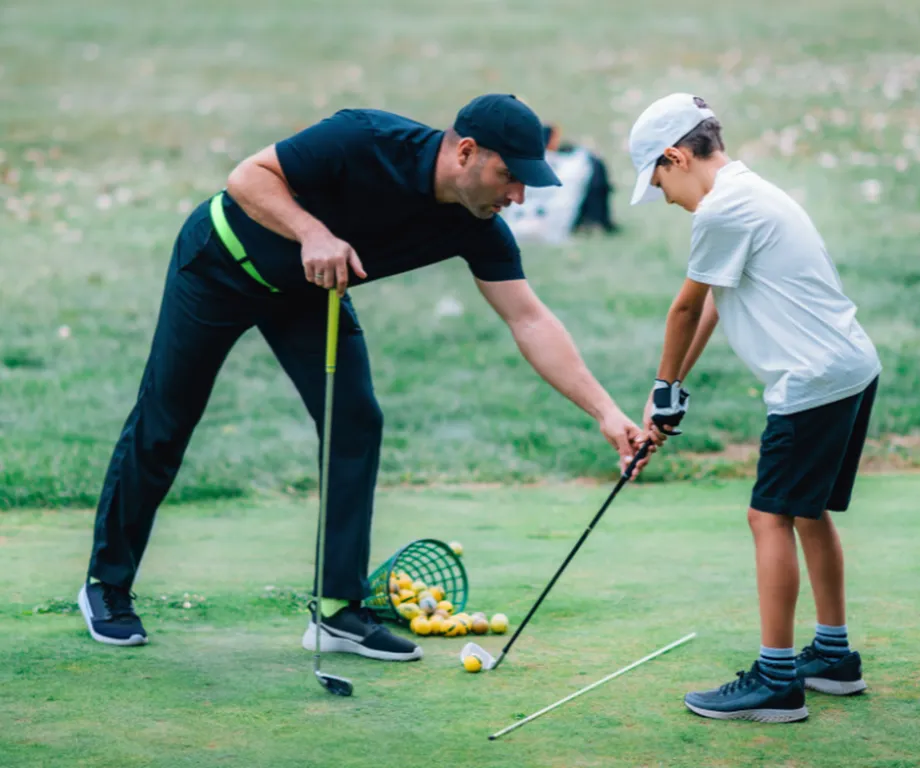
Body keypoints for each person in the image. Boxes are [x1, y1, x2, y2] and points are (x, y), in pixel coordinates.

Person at [79, 94, 649, 661]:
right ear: (466, 153)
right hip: (219, 265)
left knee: (355, 421)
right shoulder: (363, 138)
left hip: (308, 294)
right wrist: (311, 232)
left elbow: (529, 319)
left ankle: (336, 612)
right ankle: (106, 586)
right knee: (167, 418)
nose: (518, 196)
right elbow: (246, 177)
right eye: (509, 176)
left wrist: (605, 411)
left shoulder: (476, 224)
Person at [629, 93, 881, 722]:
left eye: (658, 179)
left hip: (812, 381)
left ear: (676, 156)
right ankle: (832, 657)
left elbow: (685, 308)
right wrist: (673, 393)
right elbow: (718, 297)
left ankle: (776, 680)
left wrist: (660, 393)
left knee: (767, 517)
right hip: (850, 368)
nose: (663, 196)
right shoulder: (753, 191)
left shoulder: (723, 209)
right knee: (805, 511)